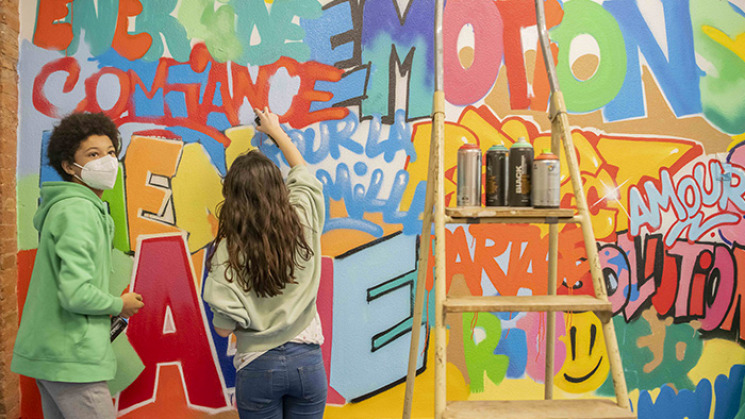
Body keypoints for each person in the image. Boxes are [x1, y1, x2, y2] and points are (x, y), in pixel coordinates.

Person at [11, 112, 145, 419]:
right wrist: (118, 303)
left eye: (111, 152)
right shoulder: (79, 212)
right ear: (69, 166)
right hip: (72, 359)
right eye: (93, 154)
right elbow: (77, 294)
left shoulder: (71, 208)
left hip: (54, 355)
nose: (107, 161)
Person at [203, 107, 326, 419]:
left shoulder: (228, 250)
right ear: (278, 188)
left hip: (257, 367)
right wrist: (276, 131)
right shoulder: (303, 221)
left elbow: (221, 329)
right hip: (308, 363)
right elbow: (305, 176)